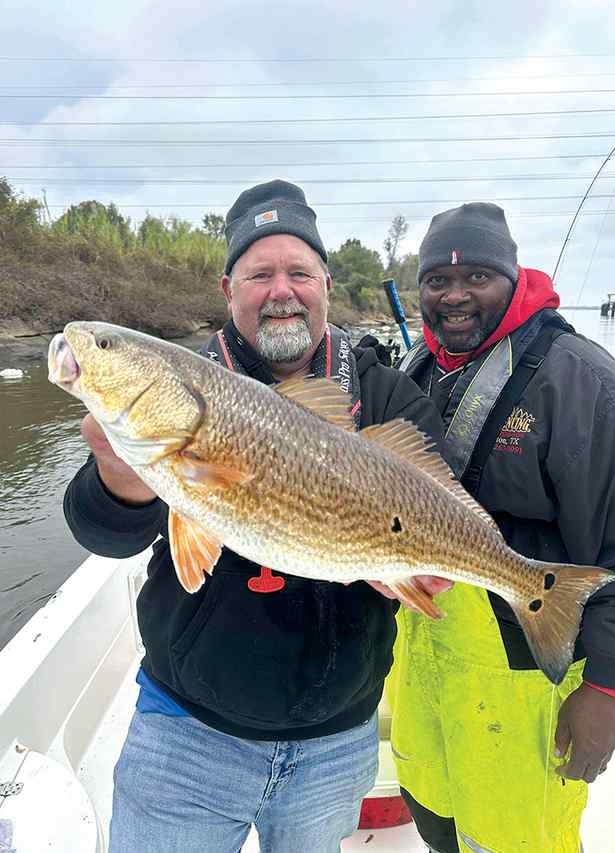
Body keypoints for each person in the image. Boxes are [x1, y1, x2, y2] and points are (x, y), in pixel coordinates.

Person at [63, 180, 445, 853]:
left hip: (337, 741)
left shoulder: (387, 394)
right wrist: (120, 480)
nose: (281, 290)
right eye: (259, 273)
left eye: (299, 271)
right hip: (186, 733)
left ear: (327, 282)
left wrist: (423, 569)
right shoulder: (183, 389)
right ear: (228, 288)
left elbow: (435, 509)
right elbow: (103, 532)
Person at [385, 202, 615, 853]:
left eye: (476, 276)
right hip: (426, 665)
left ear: (513, 275)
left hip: (527, 680)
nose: (456, 295)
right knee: (437, 819)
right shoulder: (416, 368)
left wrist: (607, 691)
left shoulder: (580, 382)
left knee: (519, 839)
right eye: (438, 282)